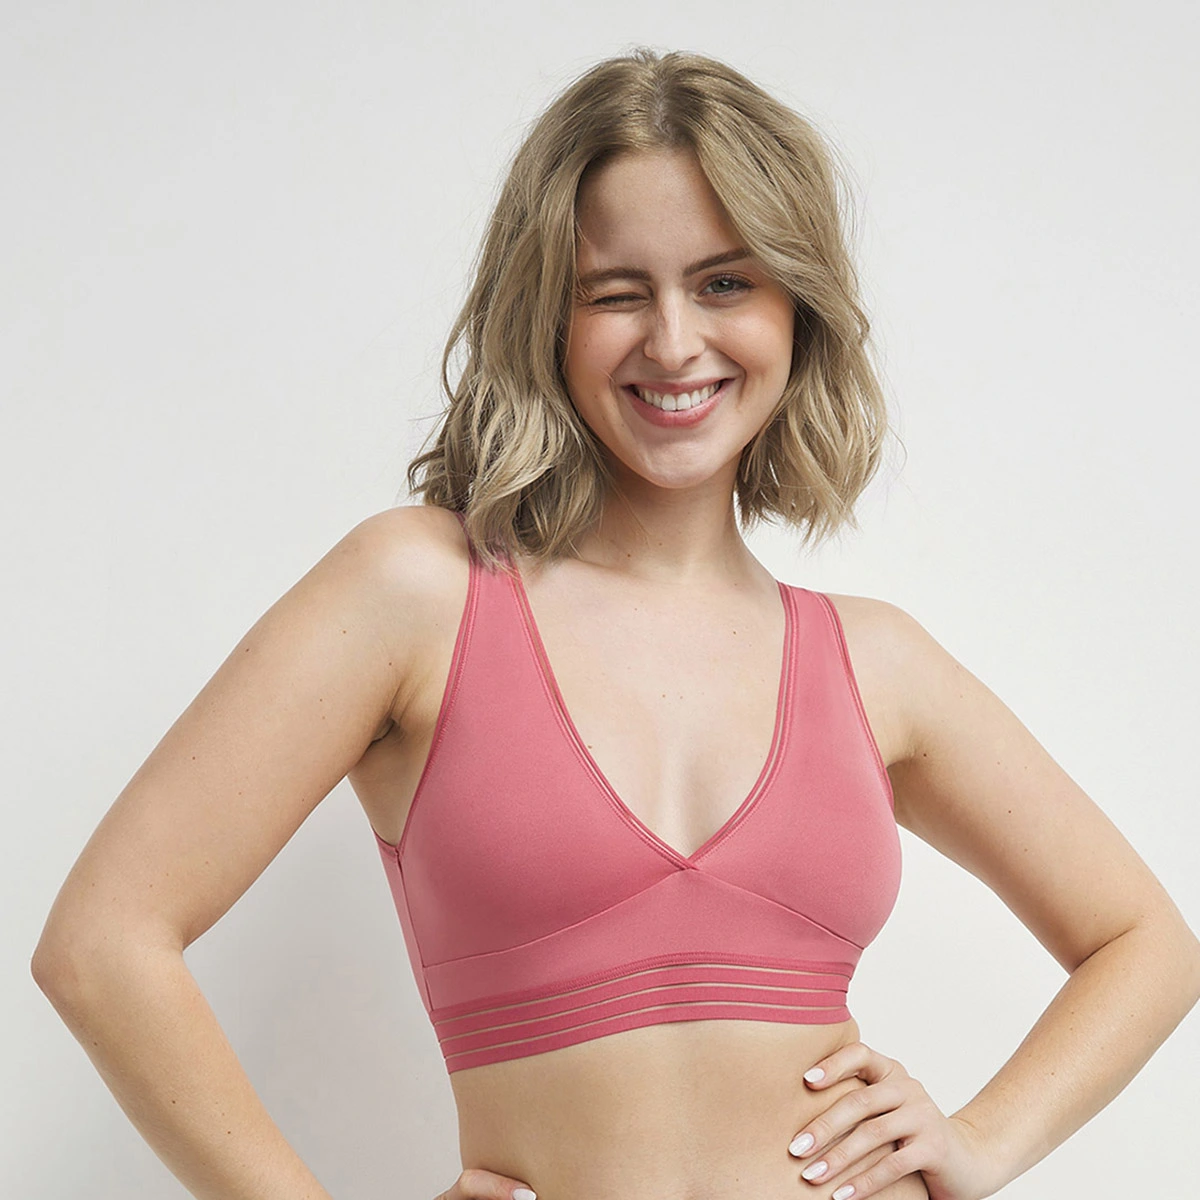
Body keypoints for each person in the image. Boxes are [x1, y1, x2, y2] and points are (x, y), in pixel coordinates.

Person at [31, 46, 1200, 1200]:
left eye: (726, 283)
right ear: (546, 314)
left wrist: (983, 1141)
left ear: (798, 310)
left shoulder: (873, 660)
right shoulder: (418, 594)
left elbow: (1145, 943)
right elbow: (103, 943)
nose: (675, 342)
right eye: (616, 292)